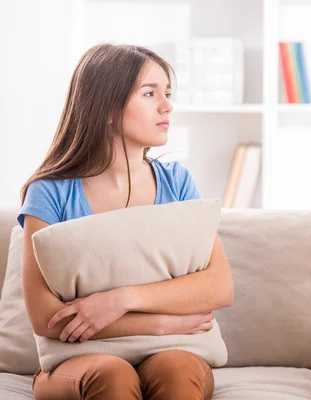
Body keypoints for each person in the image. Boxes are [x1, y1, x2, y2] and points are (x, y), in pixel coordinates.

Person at [19, 43, 234, 400]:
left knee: (176, 371)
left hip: (172, 351)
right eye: (149, 93)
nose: (167, 106)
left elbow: (219, 285)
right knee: (113, 375)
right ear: (106, 107)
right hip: (81, 360)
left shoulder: (177, 182)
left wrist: (121, 299)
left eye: (167, 93)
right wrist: (158, 322)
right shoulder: (49, 192)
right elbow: (45, 317)